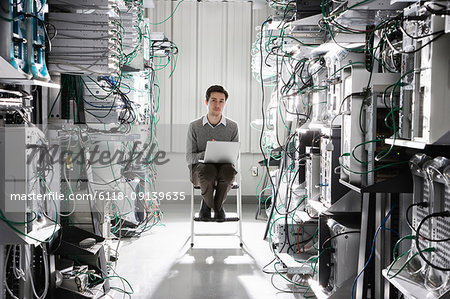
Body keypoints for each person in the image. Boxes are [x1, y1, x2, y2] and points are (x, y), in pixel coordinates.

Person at [186, 85, 239, 222]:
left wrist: (220, 152)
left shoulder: (233, 127)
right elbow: (189, 157)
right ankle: (217, 207)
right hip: (200, 169)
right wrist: (208, 153)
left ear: (225, 103)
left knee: (229, 172)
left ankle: (208, 205)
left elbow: (235, 155)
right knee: (208, 171)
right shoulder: (195, 126)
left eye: (221, 101)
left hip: (224, 167)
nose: (217, 104)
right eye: (213, 100)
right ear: (206, 102)